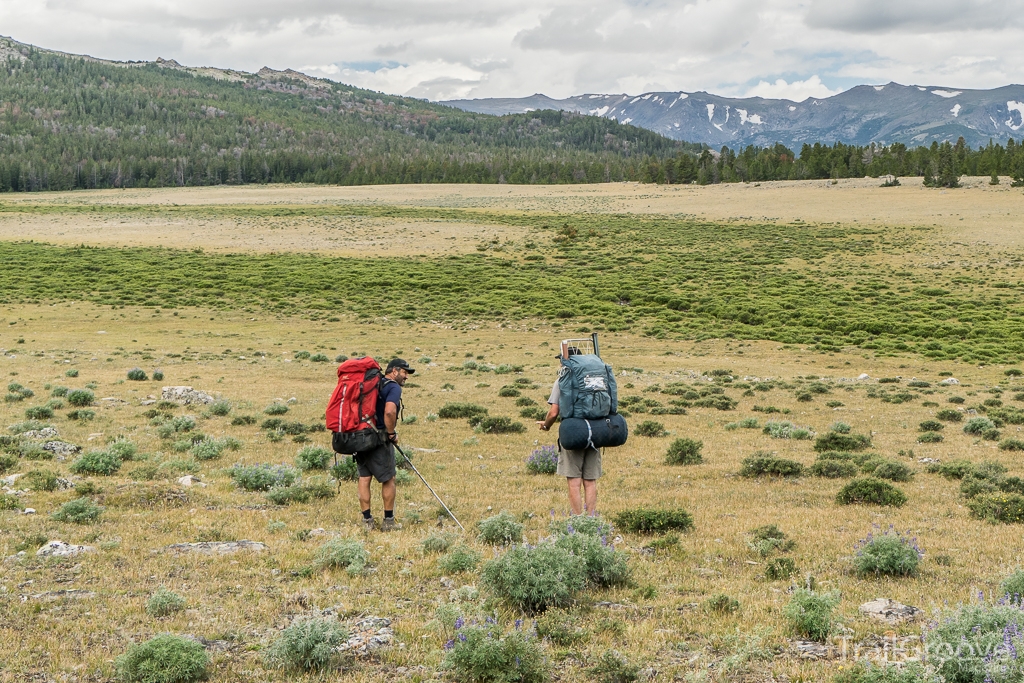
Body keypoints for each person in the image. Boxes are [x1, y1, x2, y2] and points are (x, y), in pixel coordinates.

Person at [538, 349, 601, 515]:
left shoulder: (563, 380)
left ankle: (577, 519)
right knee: (590, 480)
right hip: (595, 430)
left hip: (573, 431)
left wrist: (546, 425)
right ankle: (591, 518)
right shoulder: (594, 379)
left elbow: (553, 412)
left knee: (574, 481)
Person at [357, 358, 414, 531]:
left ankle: (367, 521)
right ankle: (388, 522)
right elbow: (389, 411)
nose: (406, 377)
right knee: (389, 479)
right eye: (404, 372)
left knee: (364, 478)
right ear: (394, 371)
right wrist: (391, 433)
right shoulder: (393, 387)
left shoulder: (373, 383)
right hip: (379, 438)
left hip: (360, 436)